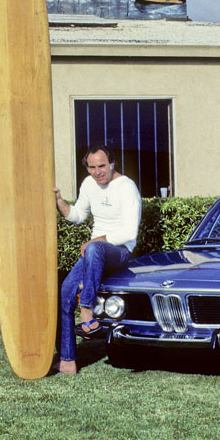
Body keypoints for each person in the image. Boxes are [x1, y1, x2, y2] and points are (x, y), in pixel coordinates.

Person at [53, 144, 142, 374]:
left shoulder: (126, 187)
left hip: (119, 251)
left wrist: (96, 241)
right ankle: (68, 360)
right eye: (92, 167)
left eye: (102, 166)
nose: (97, 171)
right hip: (94, 253)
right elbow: (78, 215)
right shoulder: (89, 184)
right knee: (65, 291)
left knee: (93, 249)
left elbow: (129, 233)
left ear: (112, 164)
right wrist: (60, 201)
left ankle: (87, 311)